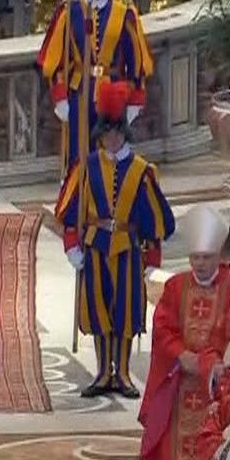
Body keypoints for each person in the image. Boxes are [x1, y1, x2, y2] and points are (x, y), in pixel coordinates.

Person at [57, 106, 175, 398]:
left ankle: (121, 373)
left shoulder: (142, 170)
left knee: (126, 310)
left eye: (117, 132)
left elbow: (154, 218)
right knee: (98, 310)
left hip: (128, 248)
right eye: (107, 133)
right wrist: (72, 246)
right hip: (95, 246)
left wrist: (152, 256)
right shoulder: (85, 167)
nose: (112, 138)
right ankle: (102, 373)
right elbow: (70, 212)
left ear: (125, 133)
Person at [140, 206, 230, 460]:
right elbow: (163, 325)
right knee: (171, 437)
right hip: (178, 378)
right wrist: (181, 355)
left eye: (206, 258)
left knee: (207, 439)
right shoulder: (176, 286)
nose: (200, 264)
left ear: (218, 256)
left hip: (212, 382)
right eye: (195, 257)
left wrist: (206, 363)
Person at [36, 0, 154, 175]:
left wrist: (135, 98)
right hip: (79, 93)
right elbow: (55, 59)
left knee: (111, 152)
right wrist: (59, 96)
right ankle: (78, 190)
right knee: (78, 154)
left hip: (112, 93)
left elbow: (136, 60)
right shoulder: (70, 12)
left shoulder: (123, 13)